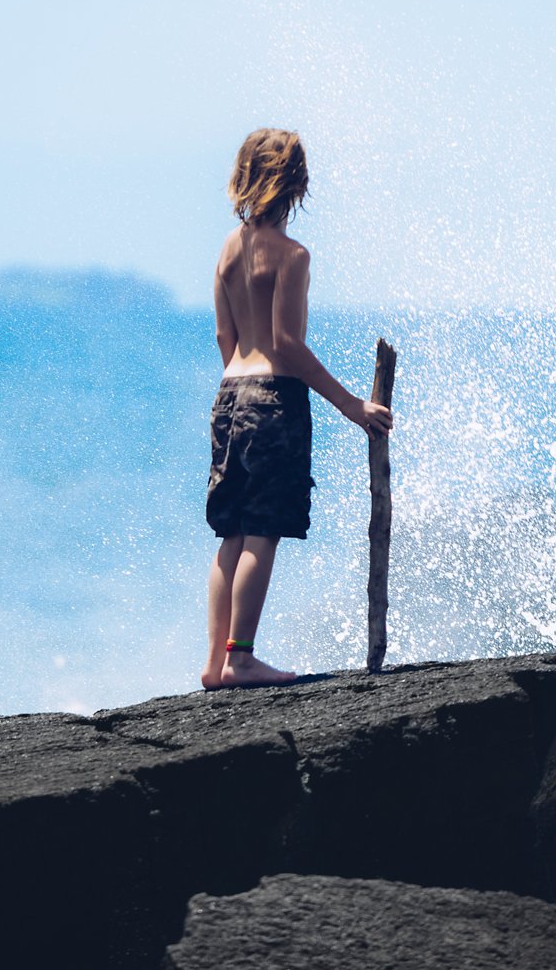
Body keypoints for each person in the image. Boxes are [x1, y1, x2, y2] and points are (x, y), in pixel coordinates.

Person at [202, 128, 393, 689]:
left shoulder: (227, 250)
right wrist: (352, 405)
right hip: (272, 401)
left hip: (228, 395)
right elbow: (285, 344)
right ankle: (240, 657)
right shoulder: (292, 256)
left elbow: (224, 336)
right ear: (294, 185)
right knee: (263, 532)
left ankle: (214, 663)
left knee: (230, 535)